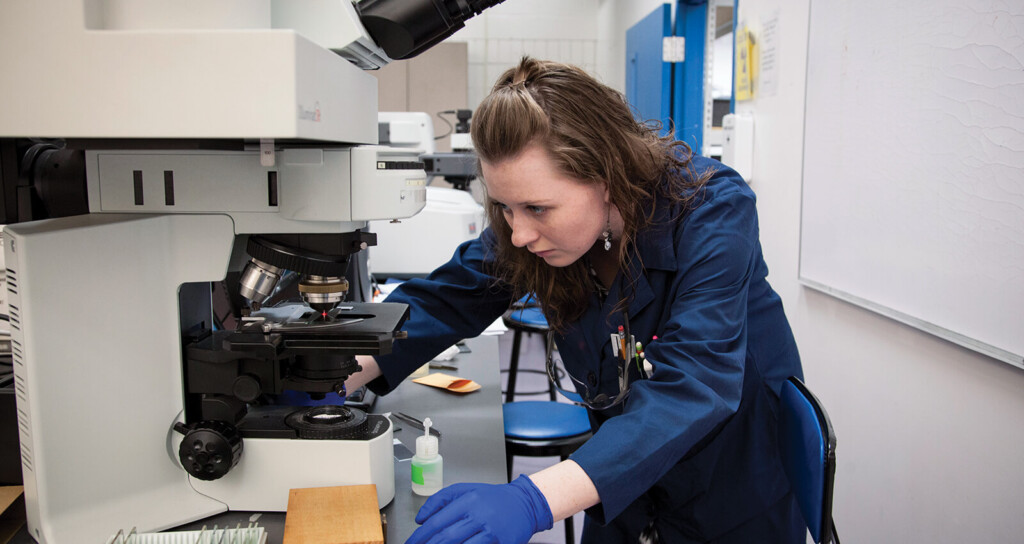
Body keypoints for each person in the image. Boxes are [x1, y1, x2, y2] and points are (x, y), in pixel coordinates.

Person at [345, 57, 806, 543]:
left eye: (537, 208)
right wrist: (342, 368)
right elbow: (450, 296)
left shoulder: (710, 211)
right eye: (504, 206)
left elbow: (695, 384)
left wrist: (533, 499)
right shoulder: (536, 229)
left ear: (606, 174)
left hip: (733, 485)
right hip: (619, 477)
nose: (518, 233)